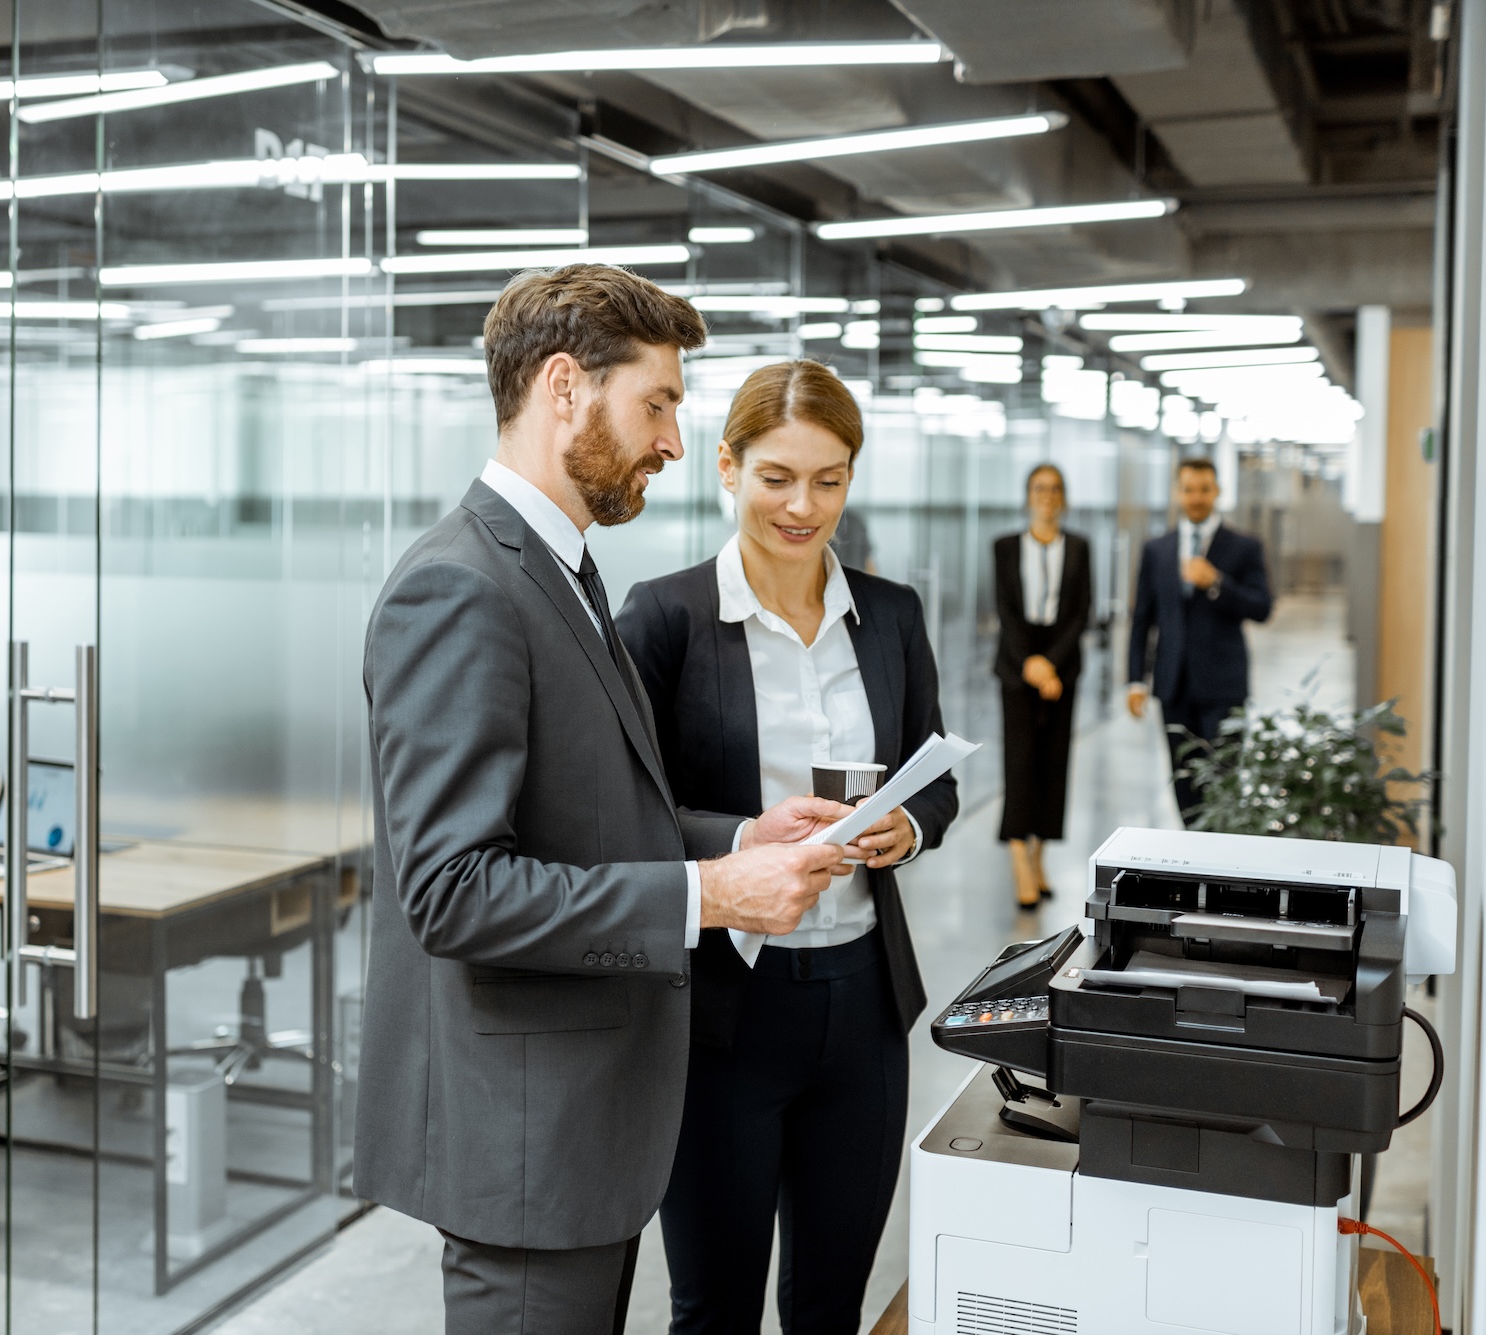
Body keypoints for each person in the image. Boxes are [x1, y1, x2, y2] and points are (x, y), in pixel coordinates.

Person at [355, 266, 859, 1335]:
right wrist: (710, 895)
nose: (675, 443)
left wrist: (739, 839)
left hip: (583, 1131)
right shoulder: (460, 586)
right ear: (563, 388)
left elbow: (586, 814)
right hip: (527, 1147)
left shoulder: (562, 570)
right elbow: (452, 892)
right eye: (659, 404)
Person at [618, 360, 959, 1335]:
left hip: (862, 1008)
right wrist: (738, 841)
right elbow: (621, 814)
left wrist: (911, 823)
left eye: (827, 480)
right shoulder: (665, 618)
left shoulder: (889, 615)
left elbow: (934, 776)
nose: (801, 506)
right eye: (775, 477)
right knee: (714, 1307)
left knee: (828, 1305)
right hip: (725, 1012)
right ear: (725, 468)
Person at [1127, 456, 1274, 819]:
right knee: (1184, 782)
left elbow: (1262, 607)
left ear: (1217, 492)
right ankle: (1191, 864)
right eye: (1189, 489)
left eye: (1204, 490)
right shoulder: (1156, 550)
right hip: (1174, 687)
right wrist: (1135, 680)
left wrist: (1217, 584)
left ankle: (1219, 864)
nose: (1196, 498)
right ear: (1178, 493)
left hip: (1223, 687)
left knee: (1223, 782)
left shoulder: (1243, 547)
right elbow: (1142, 618)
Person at [993, 463, 1092, 908]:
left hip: (1062, 661)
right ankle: (1018, 860)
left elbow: (1080, 613)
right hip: (1017, 662)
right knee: (1020, 760)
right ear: (1028, 495)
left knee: (1055, 762)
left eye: (1055, 488)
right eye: (1039, 488)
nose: (1047, 496)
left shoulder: (1080, 547)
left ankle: (1040, 856)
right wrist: (1031, 663)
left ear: (1064, 497)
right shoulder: (1006, 547)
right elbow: (1005, 610)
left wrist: (1051, 664)